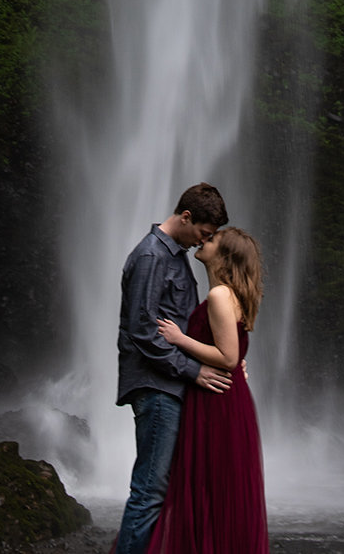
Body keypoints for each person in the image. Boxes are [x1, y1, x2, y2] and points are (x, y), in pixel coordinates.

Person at [114, 183, 232, 554]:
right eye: (203, 233)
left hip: (169, 386)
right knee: (150, 490)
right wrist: (194, 371)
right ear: (186, 217)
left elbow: (184, 327)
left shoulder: (175, 256)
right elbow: (144, 332)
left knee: (160, 489)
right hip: (156, 387)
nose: (203, 242)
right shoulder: (152, 257)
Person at [148, 226, 269, 554]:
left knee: (207, 482)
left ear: (224, 256)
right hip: (228, 397)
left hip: (216, 399)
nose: (204, 240)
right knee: (220, 486)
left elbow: (228, 357)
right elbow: (235, 352)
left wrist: (179, 338)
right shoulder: (230, 294)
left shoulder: (218, 296)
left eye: (212, 240)